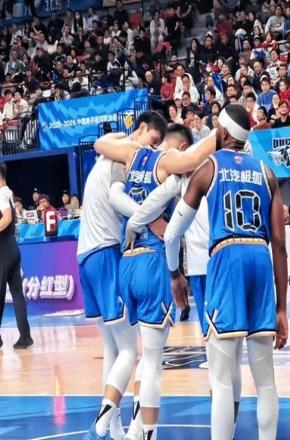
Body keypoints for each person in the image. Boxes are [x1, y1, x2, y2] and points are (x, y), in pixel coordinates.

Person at [163, 104, 288, 440]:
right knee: (266, 380)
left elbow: (172, 234)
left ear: (223, 132)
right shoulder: (266, 172)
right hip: (260, 257)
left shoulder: (209, 167)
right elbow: (279, 243)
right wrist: (281, 307)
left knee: (220, 381)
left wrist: (174, 272)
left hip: (227, 257)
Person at [95, 122, 217, 440]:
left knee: (132, 351)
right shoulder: (170, 163)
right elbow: (193, 159)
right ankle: (146, 433)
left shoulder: (132, 154)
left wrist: (133, 222)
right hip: (152, 261)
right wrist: (223, 132)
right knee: (152, 362)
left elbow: (99, 145)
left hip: (126, 262)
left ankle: (124, 419)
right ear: (179, 147)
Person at [80, 112, 168, 440]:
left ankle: (113, 428)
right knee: (132, 350)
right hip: (106, 253)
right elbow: (118, 198)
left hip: (86, 254)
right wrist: (148, 218)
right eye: (153, 141)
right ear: (141, 129)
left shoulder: (108, 152)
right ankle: (107, 424)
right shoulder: (124, 159)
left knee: (114, 348)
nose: (153, 150)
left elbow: (101, 143)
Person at [0, 162, 32, 349]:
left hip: (3, 249)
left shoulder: (0, 194)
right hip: (12, 247)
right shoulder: (9, 192)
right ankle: (25, 336)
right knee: (18, 294)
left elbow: (7, 218)